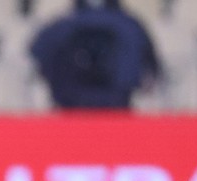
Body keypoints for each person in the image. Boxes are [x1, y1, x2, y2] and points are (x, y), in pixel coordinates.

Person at [29, 0, 161, 109]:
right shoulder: (132, 27)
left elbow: (33, 66)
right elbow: (153, 74)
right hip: (113, 114)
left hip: (72, 116)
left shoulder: (56, 28)